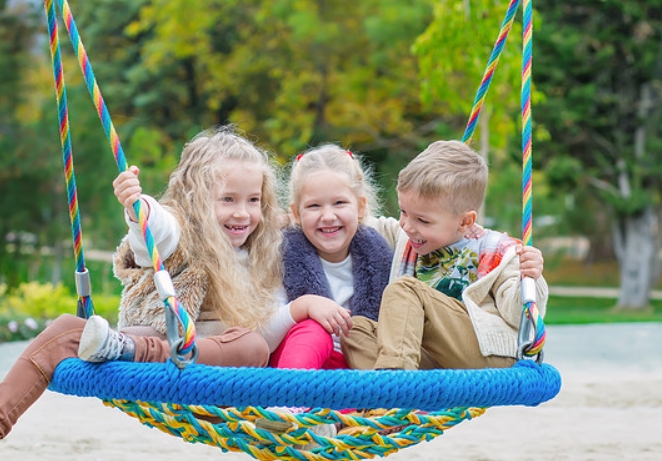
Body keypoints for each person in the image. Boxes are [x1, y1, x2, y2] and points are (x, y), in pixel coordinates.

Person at [0, 126, 296, 439]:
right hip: (158, 354)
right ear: (195, 199)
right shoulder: (185, 232)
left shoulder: (265, 251)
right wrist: (138, 206)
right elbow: (158, 230)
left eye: (252, 200)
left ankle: (131, 349)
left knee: (253, 345)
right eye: (227, 199)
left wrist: (297, 310)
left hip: (215, 374)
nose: (242, 213)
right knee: (64, 329)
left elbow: (266, 332)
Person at [341, 140, 549, 371]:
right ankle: (387, 393)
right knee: (354, 328)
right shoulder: (405, 236)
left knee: (406, 289)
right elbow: (361, 224)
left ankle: (395, 385)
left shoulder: (498, 250)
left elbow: (517, 316)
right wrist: (311, 212)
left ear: (464, 221)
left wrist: (530, 278)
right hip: (426, 358)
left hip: (483, 353)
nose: (407, 225)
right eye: (403, 212)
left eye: (422, 220)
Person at [269, 145, 393, 372]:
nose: (328, 216)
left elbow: (420, 227)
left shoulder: (379, 255)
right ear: (296, 213)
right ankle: (289, 400)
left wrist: (464, 228)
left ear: (361, 207)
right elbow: (263, 338)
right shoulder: (281, 257)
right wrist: (302, 306)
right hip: (299, 361)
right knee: (314, 332)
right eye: (314, 206)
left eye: (339, 203)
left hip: (357, 364)